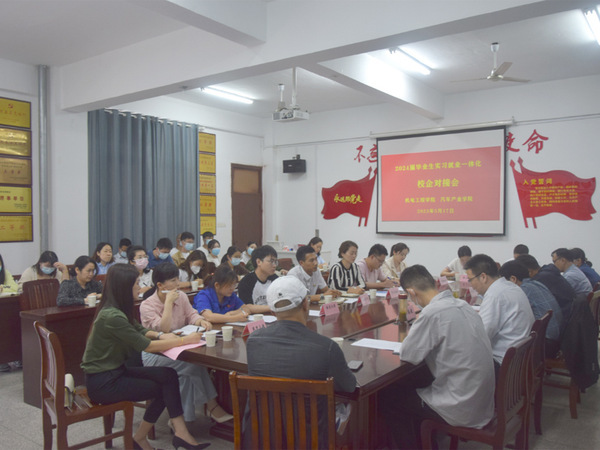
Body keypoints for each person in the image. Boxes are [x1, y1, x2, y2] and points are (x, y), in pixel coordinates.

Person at [81, 264, 210, 450]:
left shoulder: (117, 310)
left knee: (169, 375)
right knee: (163, 387)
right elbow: (147, 346)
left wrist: (161, 335)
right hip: (103, 382)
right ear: (124, 288)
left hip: (115, 371)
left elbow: (139, 329)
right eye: (135, 283)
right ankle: (143, 437)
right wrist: (183, 341)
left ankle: (179, 433)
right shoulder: (111, 316)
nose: (139, 287)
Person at [380, 265, 494, 449]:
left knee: (389, 397)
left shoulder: (432, 313)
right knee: (416, 381)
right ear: (433, 282)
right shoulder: (463, 305)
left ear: (411, 292)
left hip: (460, 406)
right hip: (481, 402)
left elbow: (408, 354)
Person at [245, 276, 357, 444]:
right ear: (305, 304)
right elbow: (349, 386)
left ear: (273, 311)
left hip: (263, 438)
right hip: (310, 440)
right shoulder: (326, 347)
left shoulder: (253, 341)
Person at [140, 263, 232, 424]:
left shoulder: (181, 296)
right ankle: (211, 407)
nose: (178, 284)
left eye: (178, 279)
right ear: (160, 285)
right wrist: (168, 304)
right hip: (156, 353)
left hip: (180, 348)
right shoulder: (147, 305)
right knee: (193, 366)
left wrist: (201, 321)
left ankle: (181, 421)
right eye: (173, 281)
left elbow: (191, 315)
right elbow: (164, 329)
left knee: (187, 372)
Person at [464, 254, 534, 367]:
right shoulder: (510, 286)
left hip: (504, 362)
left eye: (470, 280)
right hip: (520, 357)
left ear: (483, 277)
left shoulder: (495, 295)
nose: (470, 285)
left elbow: (481, 336)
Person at [499, 260, 563, 357]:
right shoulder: (536, 284)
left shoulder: (522, 290)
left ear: (513, 279)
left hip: (545, 344)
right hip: (556, 339)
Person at [516, 254, 575, 327]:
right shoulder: (548, 272)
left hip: (563, 321)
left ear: (529, 272)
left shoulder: (539, 280)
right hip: (566, 316)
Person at [193, 265, 263, 323]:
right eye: (229, 285)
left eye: (234, 285)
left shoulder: (230, 295)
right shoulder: (204, 295)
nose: (232, 288)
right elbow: (209, 317)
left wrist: (231, 313)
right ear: (217, 285)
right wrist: (235, 318)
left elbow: (246, 309)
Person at [237, 245, 278, 311]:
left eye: (275, 262)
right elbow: (246, 307)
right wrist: (273, 307)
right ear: (258, 262)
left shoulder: (275, 280)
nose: (274, 265)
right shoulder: (247, 282)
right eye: (271, 261)